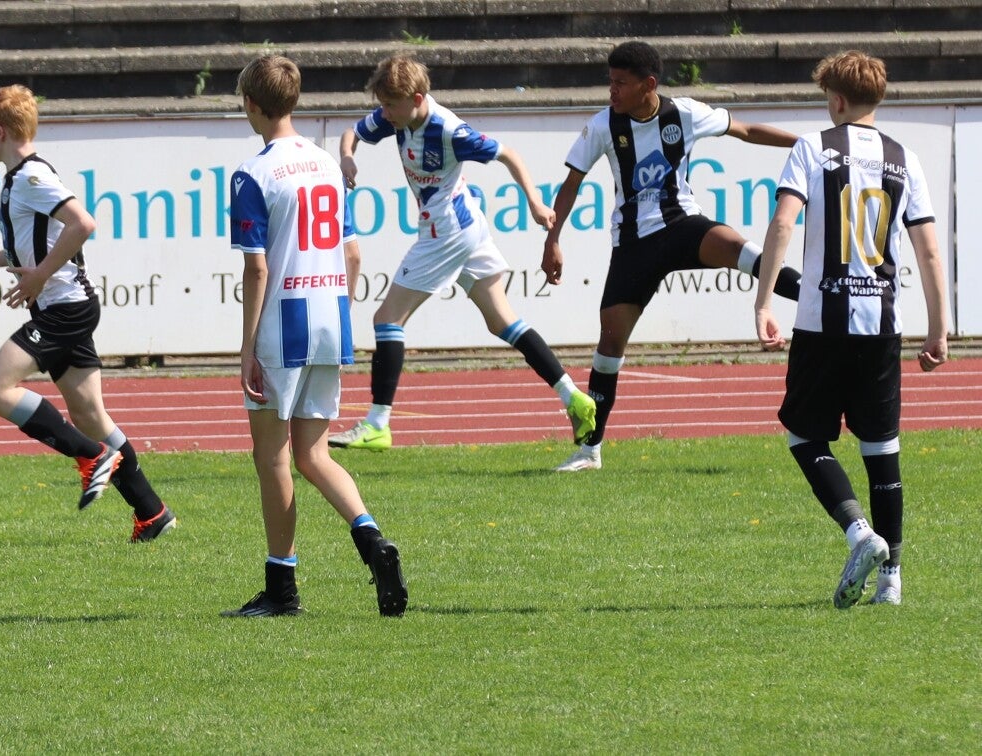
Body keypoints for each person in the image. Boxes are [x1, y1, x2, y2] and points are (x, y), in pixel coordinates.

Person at [542, 40, 805, 472]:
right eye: (610, 81)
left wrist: (807, 147)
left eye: (620, 83)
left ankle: (819, 293)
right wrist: (553, 239)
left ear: (648, 84)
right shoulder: (604, 125)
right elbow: (571, 185)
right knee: (609, 345)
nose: (612, 90)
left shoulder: (684, 113)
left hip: (683, 224)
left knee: (739, 249)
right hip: (633, 244)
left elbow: (746, 130)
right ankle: (590, 450)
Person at [751, 50, 948, 608]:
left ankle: (860, 533)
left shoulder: (813, 147)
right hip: (881, 326)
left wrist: (763, 301)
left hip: (822, 323)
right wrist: (939, 329)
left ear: (835, 100)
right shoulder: (904, 158)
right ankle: (892, 581)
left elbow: (783, 222)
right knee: (882, 448)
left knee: (804, 436)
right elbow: (929, 251)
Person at [329, 54, 595, 455]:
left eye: (390, 106)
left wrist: (535, 202)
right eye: (382, 105)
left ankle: (378, 424)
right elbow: (352, 133)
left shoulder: (450, 130)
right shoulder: (396, 114)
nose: (384, 114)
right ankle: (573, 397)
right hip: (467, 225)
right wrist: (348, 157)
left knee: (387, 319)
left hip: (447, 231)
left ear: (417, 99)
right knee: (502, 321)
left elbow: (509, 154)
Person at [0, 84, 176, 542]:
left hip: (64, 308)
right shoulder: (21, 178)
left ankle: (90, 455)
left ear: (0, 131)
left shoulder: (30, 177)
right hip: (69, 306)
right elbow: (40, 242)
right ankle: (152, 513)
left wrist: (39, 276)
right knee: (90, 415)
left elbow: (82, 224)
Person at [222, 55, 406, 618]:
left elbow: (257, 269)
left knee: (273, 457)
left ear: (251, 104)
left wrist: (247, 347)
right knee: (314, 453)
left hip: (283, 324)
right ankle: (372, 540)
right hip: (330, 316)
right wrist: (340, 308)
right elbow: (352, 253)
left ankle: (282, 589)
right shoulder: (326, 163)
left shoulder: (252, 174)